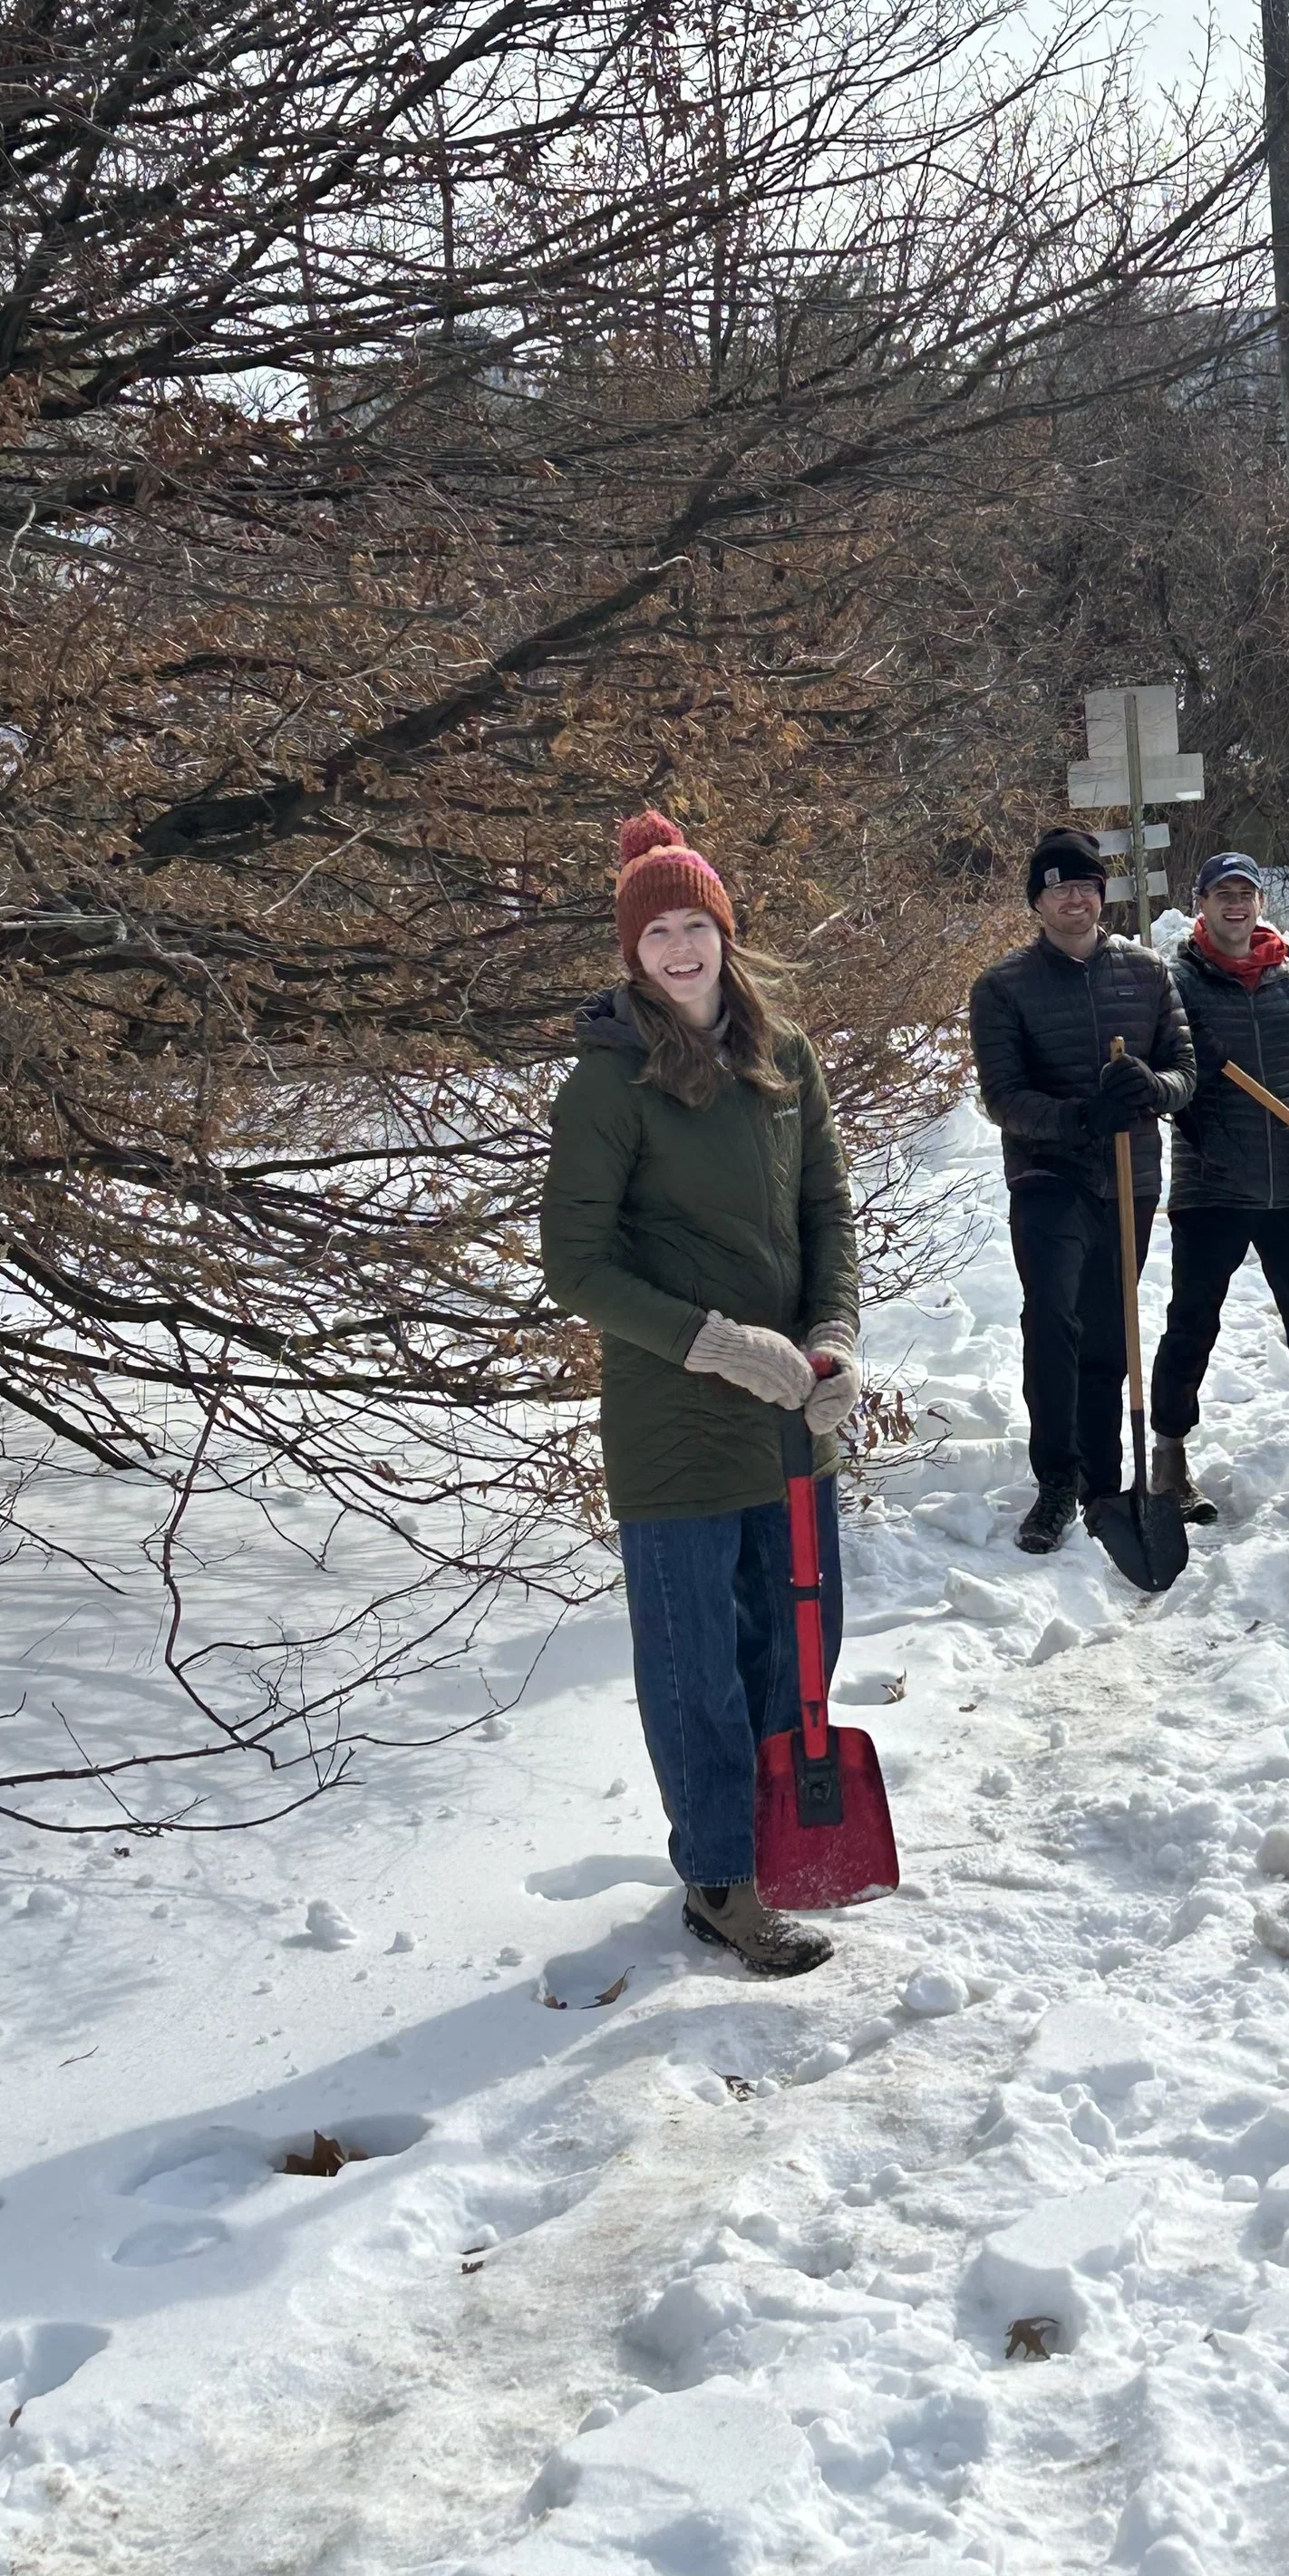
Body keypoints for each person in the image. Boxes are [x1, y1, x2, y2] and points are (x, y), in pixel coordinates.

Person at [540, 812, 860, 1979]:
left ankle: (777, 1841)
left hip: (792, 1415)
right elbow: (573, 1267)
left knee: (795, 1643)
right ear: (632, 953)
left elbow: (827, 1210)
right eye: (655, 932)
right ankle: (720, 1880)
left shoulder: (786, 1058)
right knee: (697, 1669)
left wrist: (833, 1336)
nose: (679, 949)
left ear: (726, 933)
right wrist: (716, 1344)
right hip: (676, 1422)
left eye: (696, 925)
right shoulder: (608, 1084)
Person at [968, 827, 1197, 1554]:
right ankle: (1057, 1479)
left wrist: (1152, 1088)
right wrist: (1079, 1119)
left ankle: (1106, 1479)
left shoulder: (1148, 972)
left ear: (1104, 893)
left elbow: (1185, 1068)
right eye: (1061, 885)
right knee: (1054, 1323)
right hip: (1049, 1178)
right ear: (1038, 900)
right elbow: (1003, 1095)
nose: (1077, 896)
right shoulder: (1003, 986)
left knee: (1109, 1329)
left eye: (1089, 884)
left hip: (1129, 1177)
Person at [1149, 854, 1289, 1516]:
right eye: (1222, 893)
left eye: (1245, 894)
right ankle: (1169, 1454)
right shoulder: (1176, 984)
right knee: (1191, 1324)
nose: (1235, 905)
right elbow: (1160, 1069)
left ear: (1259, 904)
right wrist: (1187, 1112)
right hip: (1211, 1185)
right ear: (1201, 903)